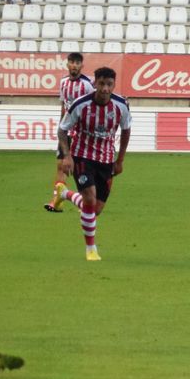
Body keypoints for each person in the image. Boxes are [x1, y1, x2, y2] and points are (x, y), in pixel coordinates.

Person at [49, 67, 131, 262]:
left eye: (109, 84)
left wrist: (120, 160)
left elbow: (126, 131)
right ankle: (91, 249)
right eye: (101, 84)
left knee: (95, 210)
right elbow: (62, 130)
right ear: (95, 84)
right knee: (90, 199)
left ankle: (64, 194)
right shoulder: (80, 105)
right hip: (83, 157)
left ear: (113, 85)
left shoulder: (121, 106)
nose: (104, 88)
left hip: (106, 161)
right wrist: (67, 156)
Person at [43, 52, 94, 214]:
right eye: (71, 62)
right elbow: (64, 106)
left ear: (81, 66)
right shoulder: (64, 82)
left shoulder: (87, 85)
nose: (74, 65)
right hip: (67, 131)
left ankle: (87, 201)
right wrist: (61, 127)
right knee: (61, 166)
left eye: (77, 62)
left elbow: (91, 106)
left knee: (82, 168)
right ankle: (56, 200)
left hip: (81, 132)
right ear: (67, 64)